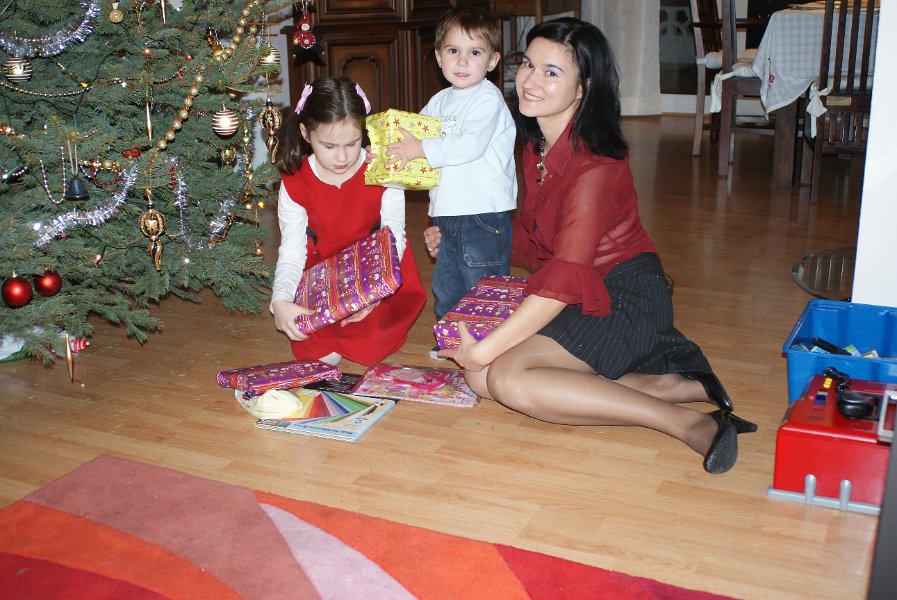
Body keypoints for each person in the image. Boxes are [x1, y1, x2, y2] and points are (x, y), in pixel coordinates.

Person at [436, 18, 757, 474]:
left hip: (622, 294)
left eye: (551, 72)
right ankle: (669, 385)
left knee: (504, 377)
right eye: (528, 64)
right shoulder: (536, 145)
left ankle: (687, 423)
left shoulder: (596, 164)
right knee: (481, 380)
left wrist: (485, 349)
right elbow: (540, 234)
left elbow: (565, 272)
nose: (530, 81)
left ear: (583, 88)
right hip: (577, 289)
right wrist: (465, 234)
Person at [386, 6, 517, 360]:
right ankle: (452, 338)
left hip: (483, 214)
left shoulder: (487, 98)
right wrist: (384, 154)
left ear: (492, 61)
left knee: (482, 284)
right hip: (447, 212)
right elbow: (410, 137)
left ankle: (489, 343)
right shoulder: (439, 102)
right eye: (453, 50)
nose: (462, 61)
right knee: (448, 281)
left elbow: (467, 145)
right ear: (438, 56)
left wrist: (419, 148)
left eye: (475, 52)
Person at [271, 76, 427, 367]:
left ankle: (369, 322)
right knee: (313, 350)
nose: (342, 157)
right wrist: (280, 301)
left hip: (379, 272)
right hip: (324, 277)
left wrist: (373, 295)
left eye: (353, 143)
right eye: (329, 146)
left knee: (370, 345)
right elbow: (292, 251)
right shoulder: (294, 181)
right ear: (305, 133)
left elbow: (395, 236)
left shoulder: (382, 168)